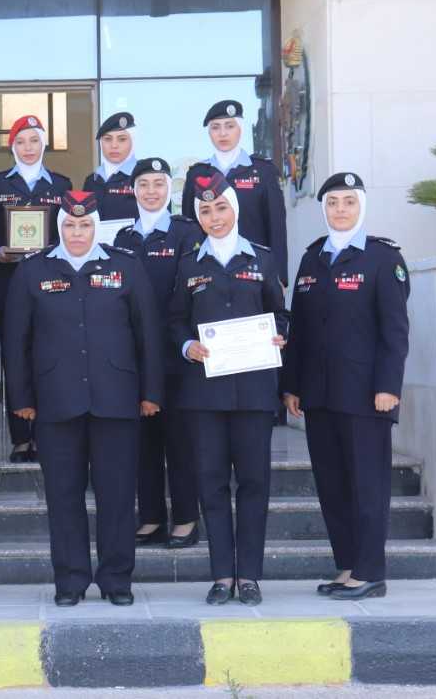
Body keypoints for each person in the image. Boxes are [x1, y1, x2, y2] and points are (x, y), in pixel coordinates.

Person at [3, 191, 163, 607]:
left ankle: (116, 579)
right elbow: (16, 341)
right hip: (55, 401)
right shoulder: (33, 270)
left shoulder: (126, 267)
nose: (77, 233)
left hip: (117, 399)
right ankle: (70, 580)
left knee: (117, 494)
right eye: (70, 225)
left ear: (96, 227)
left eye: (85, 225)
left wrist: (151, 392)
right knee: (63, 495)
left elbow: (148, 334)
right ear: (60, 227)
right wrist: (20, 398)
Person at [282, 172, 409, 601]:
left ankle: (371, 572)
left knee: (367, 485)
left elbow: (395, 331)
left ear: (361, 207)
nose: (340, 210)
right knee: (332, 484)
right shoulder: (312, 258)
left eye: (348, 202)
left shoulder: (382, 258)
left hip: (366, 394)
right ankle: (349, 565)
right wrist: (292, 385)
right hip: (318, 394)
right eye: (333, 203)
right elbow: (300, 329)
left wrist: (388, 386)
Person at [170, 171, 288, 607]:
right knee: (212, 483)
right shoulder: (189, 264)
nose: (214, 217)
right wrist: (187, 346)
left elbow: (280, 313)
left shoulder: (262, 259)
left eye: (220, 208)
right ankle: (222, 575)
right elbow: (175, 320)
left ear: (234, 209)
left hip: (254, 393)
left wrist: (280, 334)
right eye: (205, 211)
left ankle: (249, 575)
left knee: (254, 483)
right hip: (205, 396)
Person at [113, 158, 202, 550]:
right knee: (142, 441)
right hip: (133, 355)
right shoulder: (122, 237)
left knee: (180, 440)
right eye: (143, 184)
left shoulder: (187, 232)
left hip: (176, 354)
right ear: (133, 191)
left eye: (158, 184)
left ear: (170, 189)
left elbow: (191, 290)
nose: (151, 192)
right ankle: (150, 516)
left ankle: (185, 517)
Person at [0, 115, 72, 463]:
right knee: (14, 355)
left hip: (52, 283)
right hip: (12, 281)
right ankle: (21, 437)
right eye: (21, 142)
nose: (28, 148)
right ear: (12, 147)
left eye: (34, 140)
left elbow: (71, 230)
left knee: (51, 353)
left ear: (44, 144)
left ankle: (48, 431)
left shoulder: (61, 184)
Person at [180, 100, 287, 283]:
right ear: (209, 133)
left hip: (255, 271)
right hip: (209, 271)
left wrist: (279, 277)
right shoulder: (197, 174)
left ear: (240, 129)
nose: (223, 133)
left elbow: (276, 228)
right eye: (215, 127)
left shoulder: (263, 171)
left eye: (229, 126)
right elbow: (190, 229)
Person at [82, 112, 140, 221]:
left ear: (132, 141)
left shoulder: (142, 176)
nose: (114, 145)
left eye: (122, 139)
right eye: (108, 139)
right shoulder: (92, 180)